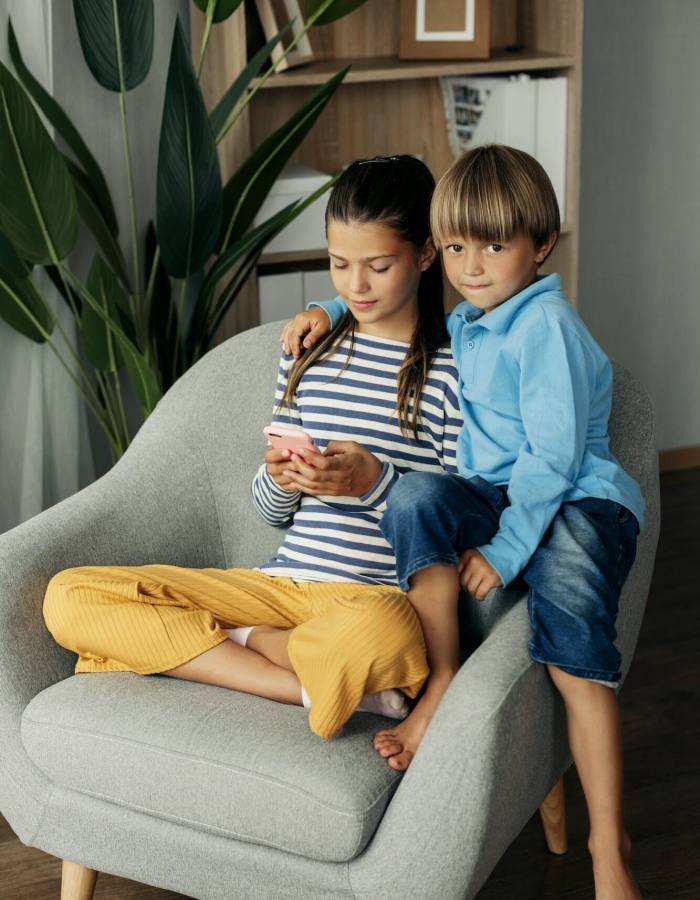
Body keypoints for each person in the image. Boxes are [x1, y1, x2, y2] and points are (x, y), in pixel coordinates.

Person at [281, 144, 645, 899]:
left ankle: (608, 846)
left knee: (575, 659)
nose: (471, 266)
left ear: (541, 245)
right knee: (416, 496)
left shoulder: (546, 329)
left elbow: (553, 458)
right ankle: (440, 680)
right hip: (498, 490)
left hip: (577, 496)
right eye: (454, 247)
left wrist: (509, 549)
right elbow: (391, 282)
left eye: (493, 246)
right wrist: (334, 307)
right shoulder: (479, 318)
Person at [42, 154, 464, 744]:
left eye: (378, 265)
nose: (355, 285)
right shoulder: (308, 352)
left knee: (382, 638)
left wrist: (374, 485)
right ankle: (303, 684)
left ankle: (225, 647)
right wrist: (281, 479)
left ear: (425, 254)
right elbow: (269, 513)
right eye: (339, 264)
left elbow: (458, 517)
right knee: (70, 596)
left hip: (370, 601)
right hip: (278, 587)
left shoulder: (452, 374)